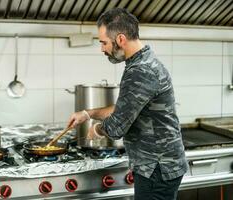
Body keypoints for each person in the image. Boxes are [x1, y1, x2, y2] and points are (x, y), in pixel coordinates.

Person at [67, 8, 188, 200]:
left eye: (104, 42)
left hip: (156, 168)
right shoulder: (141, 63)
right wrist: (87, 114)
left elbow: (116, 127)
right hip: (158, 165)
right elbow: (126, 108)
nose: (102, 49)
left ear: (121, 39)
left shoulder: (141, 71)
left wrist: (96, 130)